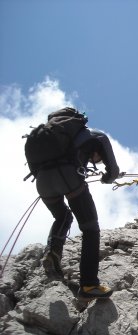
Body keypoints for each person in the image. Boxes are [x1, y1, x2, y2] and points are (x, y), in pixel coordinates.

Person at [36, 123, 120, 300]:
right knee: (90, 228)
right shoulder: (96, 135)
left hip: (43, 182)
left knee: (63, 216)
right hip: (67, 177)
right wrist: (108, 177)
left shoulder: (59, 138)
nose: (94, 161)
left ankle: (53, 252)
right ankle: (89, 285)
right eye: (96, 159)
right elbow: (112, 170)